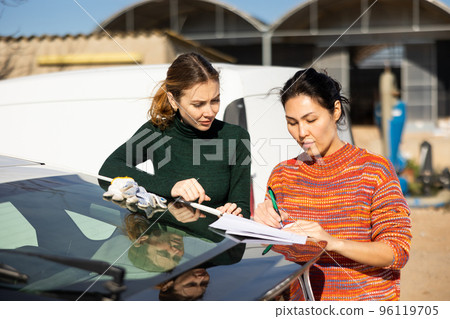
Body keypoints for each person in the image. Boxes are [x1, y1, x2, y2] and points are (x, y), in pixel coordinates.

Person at [254, 68, 412, 301]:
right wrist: (264, 226)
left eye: (311, 120)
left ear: (335, 110)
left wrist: (333, 243)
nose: (301, 133)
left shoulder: (374, 170)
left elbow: (397, 251)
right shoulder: (282, 175)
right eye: (292, 122)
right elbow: (277, 255)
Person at [99, 52, 251, 218]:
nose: (210, 112)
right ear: (173, 100)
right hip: (168, 242)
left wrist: (235, 213)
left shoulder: (236, 137)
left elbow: (242, 206)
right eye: (198, 104)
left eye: (215, 100)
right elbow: (108, 170)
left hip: (219, 243)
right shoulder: (157, 131)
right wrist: (172, 187)